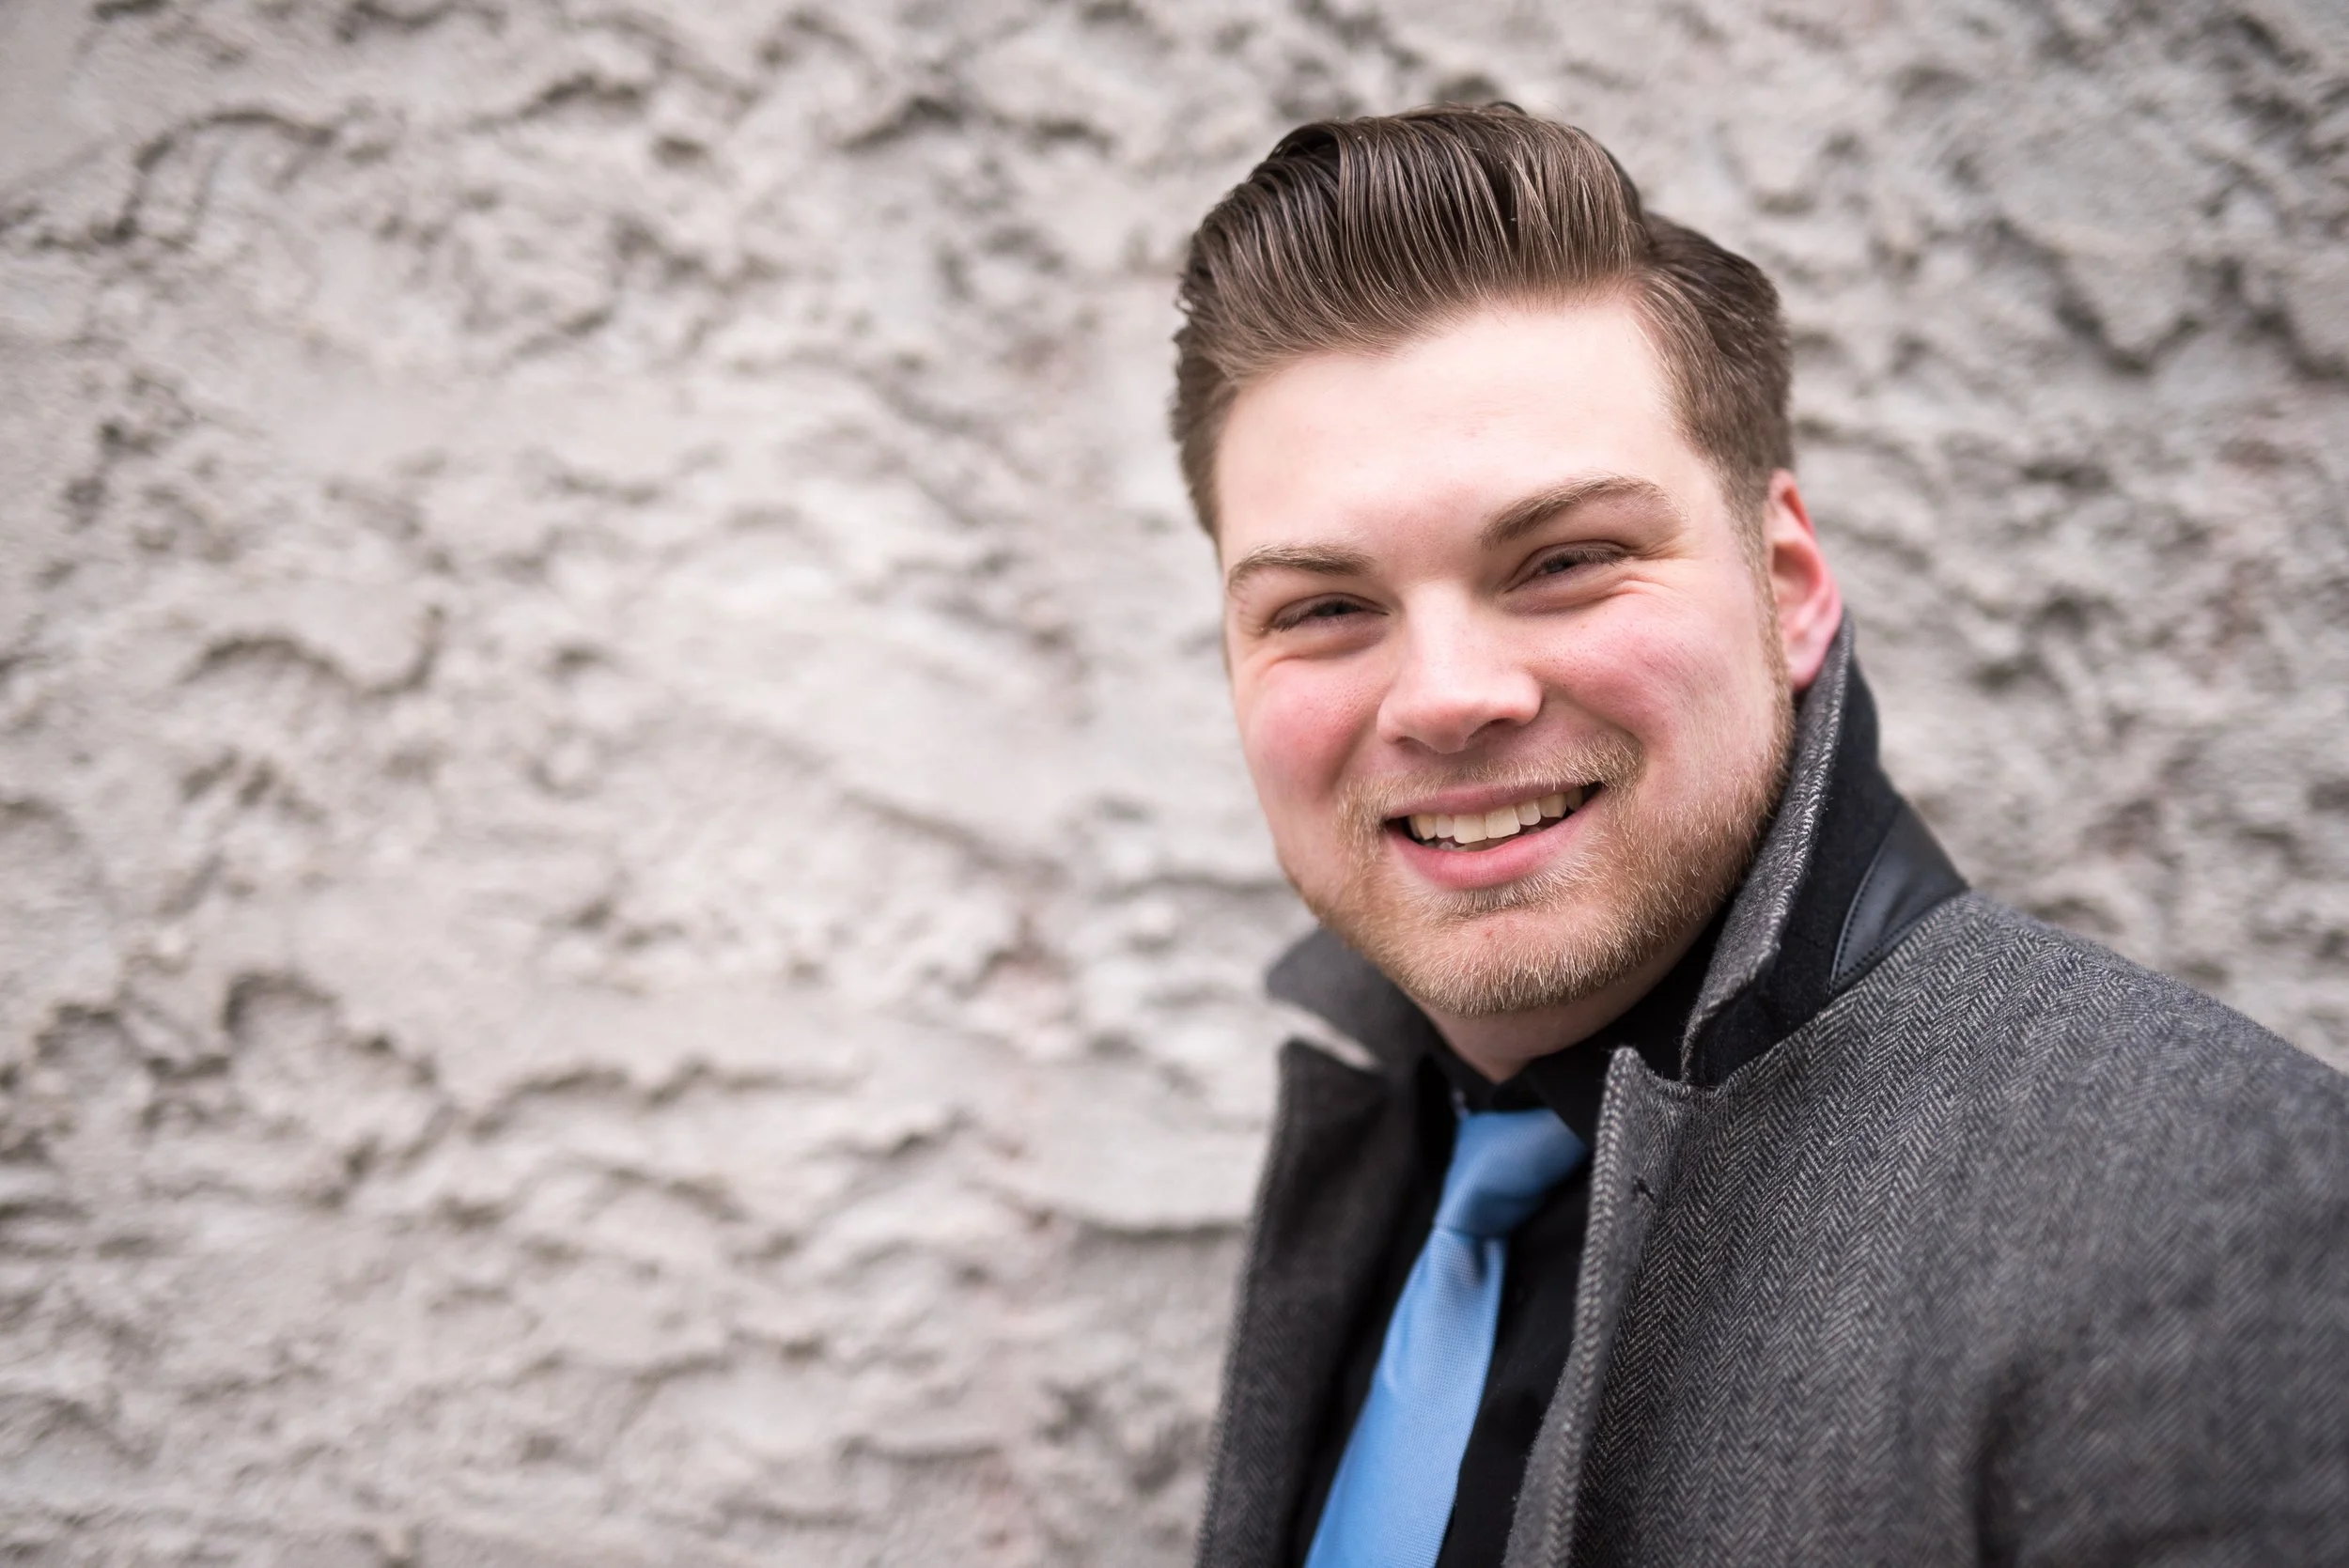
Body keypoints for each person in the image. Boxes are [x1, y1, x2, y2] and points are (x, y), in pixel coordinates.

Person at [1171, 104, 2349, 1568]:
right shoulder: (1381, 1153)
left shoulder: (2224, 1222)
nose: (1451, 698)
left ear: (1788, 583)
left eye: (1567, 562)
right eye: (1324, 609)